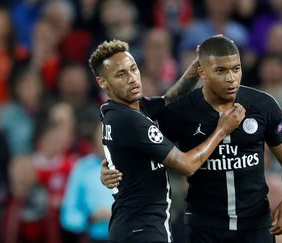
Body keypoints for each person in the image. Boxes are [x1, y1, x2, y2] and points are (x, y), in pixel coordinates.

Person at [102, 35, 282, 242]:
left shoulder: (263, 105)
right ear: (201, 71)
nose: (231, 78)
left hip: (256, 226)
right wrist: (112, 167)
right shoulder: (180, 112)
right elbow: (144, 148)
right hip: (204, 228)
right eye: (220, 71)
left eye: (236, 68)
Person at [88, 39, 245, 243]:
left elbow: (169, 98)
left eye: (133, 69)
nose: (132, 78)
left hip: (132, 227)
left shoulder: (118, 110)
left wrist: (195, 67)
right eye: (121, 74)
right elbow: (186, 165)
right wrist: (222, 130)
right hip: (142, 230)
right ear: (102, 82)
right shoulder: (130, 120)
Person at [60, 123, 114, 243]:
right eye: (103, 135)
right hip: (92, 238)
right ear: (94, 139)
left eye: (112, 135)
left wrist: (119, 215)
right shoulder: (81, 168)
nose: (107, 140)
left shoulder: (133, 168)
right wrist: (90, 218)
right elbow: (68, 215)